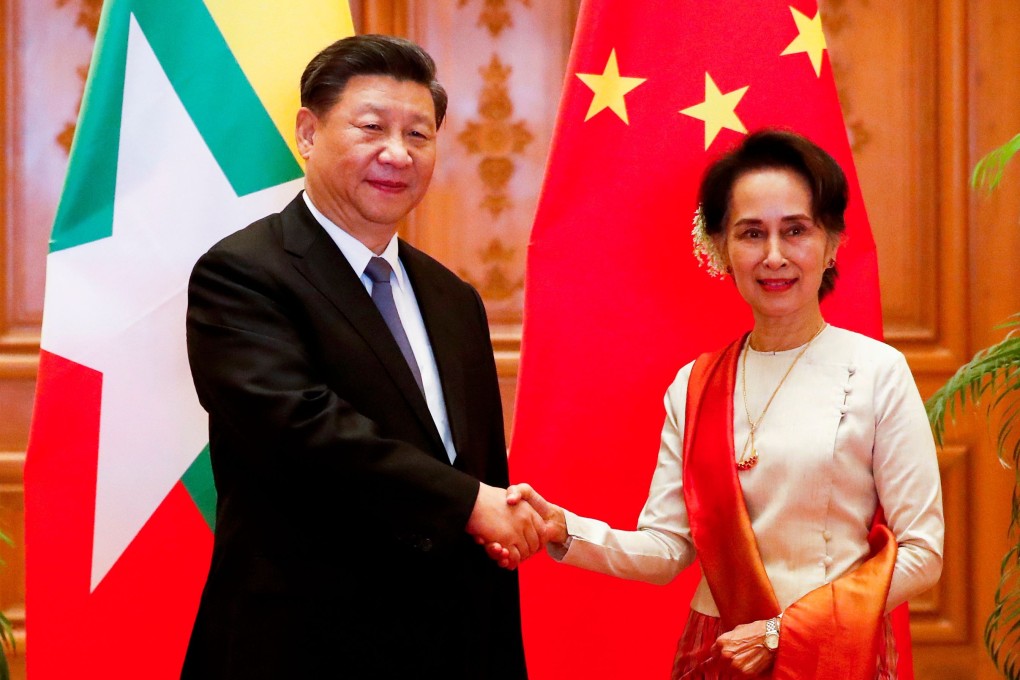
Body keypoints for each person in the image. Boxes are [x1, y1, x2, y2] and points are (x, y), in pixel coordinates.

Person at [489, 130, 944, 679]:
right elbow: (667, 551)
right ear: (721, 248)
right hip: (719, 651)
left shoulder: (877, 372)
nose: (774, 255)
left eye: (795, 230)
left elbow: (923, 553)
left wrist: (784, 630)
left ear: (831, 243)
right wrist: (565, 528)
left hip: (833, 651)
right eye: (752, 233)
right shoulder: (696, 384)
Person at [181, 34, 542, 679]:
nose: (397, 154)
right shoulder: (241, 274)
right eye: (372, 127)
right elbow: (301, 430)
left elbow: (478, 466)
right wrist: (466, 502)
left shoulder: (453, 298)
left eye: (420, 136)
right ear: (309, 133)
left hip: (447, 644)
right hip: (300, 646)